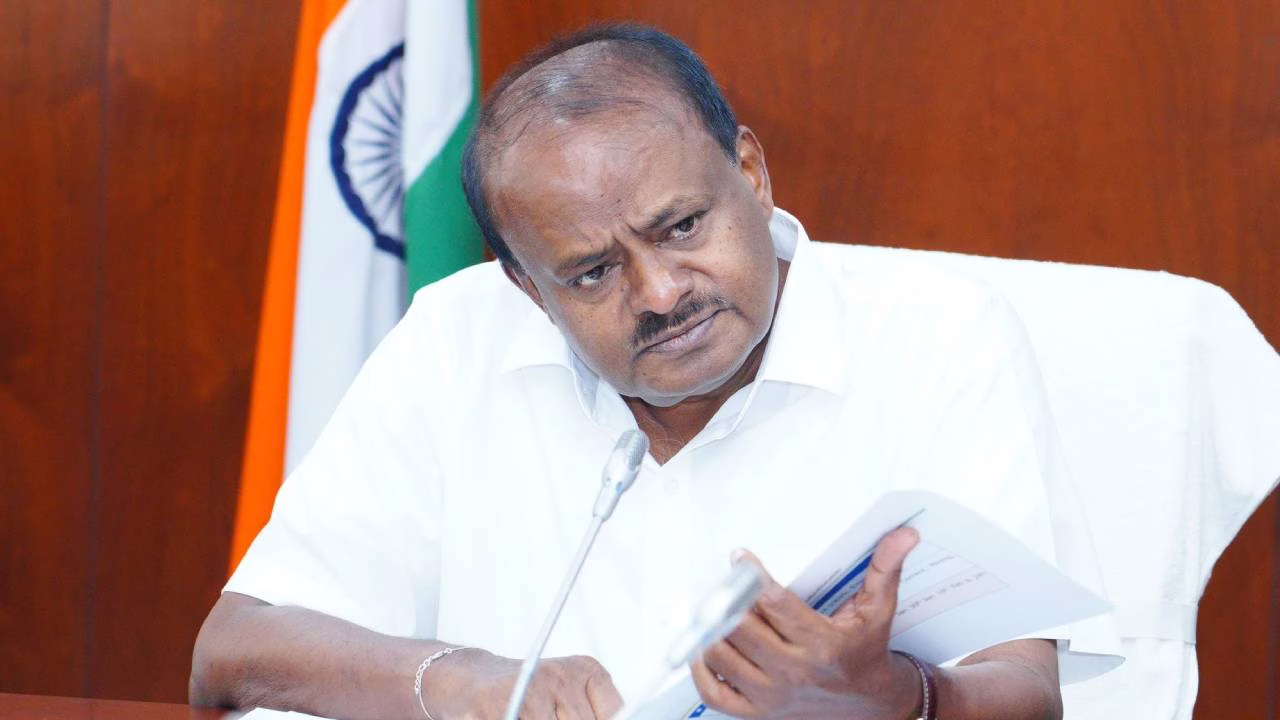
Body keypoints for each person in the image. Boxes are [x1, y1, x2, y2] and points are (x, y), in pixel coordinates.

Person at [191, 23, 1106, 720]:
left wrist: (895, 698)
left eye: (682, 227)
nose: (662, 293)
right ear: (528, 287)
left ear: (751, 173)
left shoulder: (939, 336)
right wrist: (456, 679)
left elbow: (1029, 691)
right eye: (592, 273)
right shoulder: (453, 338)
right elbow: (231, 653)